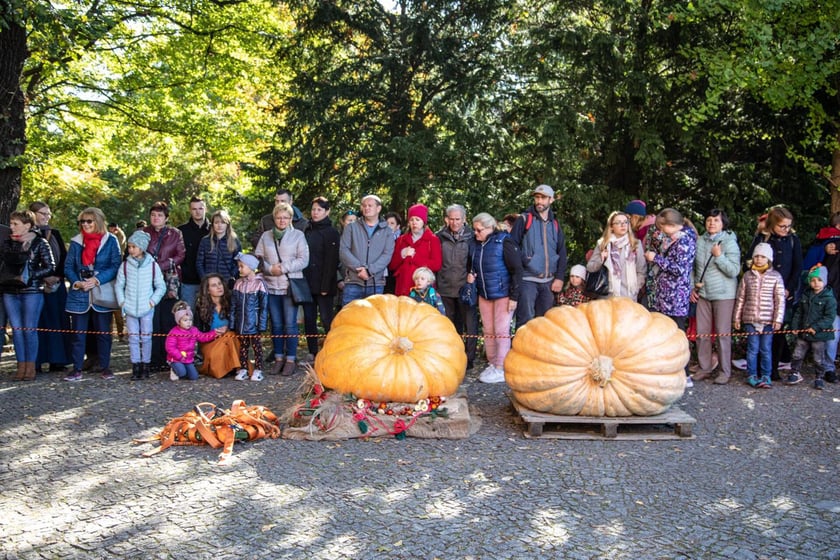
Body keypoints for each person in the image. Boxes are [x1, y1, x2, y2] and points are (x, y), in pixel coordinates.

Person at [63, 207, 122, 381]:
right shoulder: (76, 242)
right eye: (82, 221)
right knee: (78, 334)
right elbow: (68, 267)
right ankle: (77, 368)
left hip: (101, 290)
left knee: (103, 332)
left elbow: (115, 264)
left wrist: (97, 280)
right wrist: (77, 282)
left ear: (98, 221)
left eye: (89, 221)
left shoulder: (110, 240)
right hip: (80, 292)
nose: (86, 224)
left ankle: (105, 366)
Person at [467, 212, 523, 384]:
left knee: (501, 331)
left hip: (503, 294)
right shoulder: (476, 245)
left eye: (479, 230)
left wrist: (514, 296)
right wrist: (471, 276)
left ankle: (501, 367)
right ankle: (492, 363)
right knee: (489, 331)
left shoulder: (504, 241)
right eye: (474, 230)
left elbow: (517, 270)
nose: (476, 233)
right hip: (484, 294)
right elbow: (472, 265)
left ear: (490, 227)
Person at [747, 206, 802, 379]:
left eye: (788, 226)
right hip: (761, 293)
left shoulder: (793, 240)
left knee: (777, 330)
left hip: (784, 293)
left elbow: (797, 267)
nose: (786, 230)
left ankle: (773, 369)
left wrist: (788, 289)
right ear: (772, 224)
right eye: (782, 226)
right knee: (759, 331)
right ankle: (756, 369)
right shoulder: (762, 238)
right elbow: (750, 261)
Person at [644, 208, 697, 386]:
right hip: (666, 295)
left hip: (676, 297)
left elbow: (679, 269)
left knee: (678, 336)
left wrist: (656, 258)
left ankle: (686, 373)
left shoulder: (684, 242)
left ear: (672, 225)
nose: (660, 230)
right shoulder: (672, 239)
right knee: (666, 334)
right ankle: (670, 371)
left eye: (662, 227)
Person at [255, 203, 309, 376]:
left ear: (290, 219)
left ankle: (291, 359)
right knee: (276, 324)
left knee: (290, 324)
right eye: (279, 217)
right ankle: (278, 358)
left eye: (285, 217)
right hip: (271, 285)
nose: (282, 220)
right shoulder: (266, 236)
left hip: (289, 285)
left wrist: (284, 267)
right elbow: (258, 258)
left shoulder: (298, 235)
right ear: (274, 218)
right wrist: (270, 269)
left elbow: (303, 259)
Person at [1, 210, 55, 381]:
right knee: (17, 330)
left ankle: (30, 367)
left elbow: (50, 266)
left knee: (29, 330)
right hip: (10, 291)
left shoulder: (40, 243)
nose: (12, 227)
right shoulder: (8, 243)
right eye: (11, 224)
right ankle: (21, 366)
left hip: (31, 291)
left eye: (15, 224)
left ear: (27, 225)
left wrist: (30, 275)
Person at [689, 209, 741, 384]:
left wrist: (719, 257)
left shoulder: (729, 242)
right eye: (709, 219)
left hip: (724, 294)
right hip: (703, 293)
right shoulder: (700, 241)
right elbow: (693, 267)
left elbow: (734, 270)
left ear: (723, 224)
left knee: (722, 334)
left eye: (716, 220)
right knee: (702, 333)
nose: (711, 223)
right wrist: (692, 288)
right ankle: (705, 367)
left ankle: (724, 371)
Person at [509, 184, 567, 328]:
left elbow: (562, 251)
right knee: (525, 322)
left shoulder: (554, 224)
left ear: (551, 200)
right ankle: (521, 350)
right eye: (537, 197)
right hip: (528, 280)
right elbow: (511, 246)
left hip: (548, 281)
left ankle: (541, 352)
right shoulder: (524, 219)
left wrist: (559, 277)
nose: (539, 201)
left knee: (546, 324)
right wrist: (523, 262)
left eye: (543, 198)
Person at [733, 243, 786, 388]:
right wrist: (737, 318)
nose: (759, 259)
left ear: (769, 259)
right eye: (756, 256)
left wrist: (778, 319)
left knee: (766, 349)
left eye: (762, 257)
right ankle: (751, 374)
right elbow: (741, 298)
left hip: (768, 321)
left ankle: (766, 376)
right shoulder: (747, 277)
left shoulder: (776, 277)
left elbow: (780, 300)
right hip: (750, 320)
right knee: (752, 348)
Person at [115, 229, 165, 381]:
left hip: (146, 308)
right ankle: (135, 365)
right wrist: (122, 302)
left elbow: (160, 286)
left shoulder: (152, 266)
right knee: (133, 337)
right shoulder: (125, 266)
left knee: (147, 336)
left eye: (133, 247)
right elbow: (119, 285)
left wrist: (152, 301)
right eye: (129, 247)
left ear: (142, 247)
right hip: (130, 307)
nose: (130, 249)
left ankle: (146, 365)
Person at [143, 201, 186, 372]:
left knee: (168, 319)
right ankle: (153, 358)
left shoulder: (175, 234)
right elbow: (136, 252)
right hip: (147, 281)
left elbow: (181, 255)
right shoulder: (143, 233)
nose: (156, 218)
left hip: (169, 280)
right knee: (152, 320)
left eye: (160, 215)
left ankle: (169, 357)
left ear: (166, 218)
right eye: (153, 215)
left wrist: (161, 265)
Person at [29, 201, 71, 373]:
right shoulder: (25, 235)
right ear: (33, 214)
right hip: (35, 285)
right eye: (42, 214)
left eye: (48, 214)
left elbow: (63, 257)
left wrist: (56, 276)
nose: (46, 217)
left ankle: (58, 360)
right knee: (37, 323)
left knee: (57, 321)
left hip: (57, 284)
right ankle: (36, 361)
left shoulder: (55, 234)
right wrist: (44, 277)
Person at [436, 204, 478, 370]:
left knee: (470, 324)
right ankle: (450, 357)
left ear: (464, 219)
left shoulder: (472, 236)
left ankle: (469, 359)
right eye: (451, 219)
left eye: (458, 219)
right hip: (445, 286)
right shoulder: (439, 236)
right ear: (446, 219)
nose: (454, 222)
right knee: (448, 325)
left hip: (465, 287)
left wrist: (472, 276)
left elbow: (477, 258)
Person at [785, 265, 836, 389]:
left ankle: (819, 377)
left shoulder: (829, 298)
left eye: (819, 280)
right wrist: (795, 326)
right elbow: (799, 313)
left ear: (824, 281)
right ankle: (795, 372)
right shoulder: (806, 295)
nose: (816, 283)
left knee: (818, 358)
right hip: (803, 334)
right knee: (797, 354)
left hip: (818, 335)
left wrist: (816, 327)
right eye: (813, 280)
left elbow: (829, 317)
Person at [302, 197, 340, 361]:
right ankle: (312, 351)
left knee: (326, 318)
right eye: (313, 209)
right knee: (309, 319)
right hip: (307, 281)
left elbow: (332, 260)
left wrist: (325, 285)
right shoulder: (307, 230)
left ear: (326, 211)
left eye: (319, 210)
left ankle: (332, 350)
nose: (315, 213)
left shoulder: (332, 232)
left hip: (325, 282)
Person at [339, 194, 395, 304]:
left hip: (376, 282)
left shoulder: (387, 231)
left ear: (378, 208)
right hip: (353, 281)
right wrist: (359, 269)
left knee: (374, 319)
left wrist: (369, 271)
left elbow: (387, 255)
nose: (366, 208)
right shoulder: (351, 227)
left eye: (370, 205)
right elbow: (344, 250)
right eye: (364, 205)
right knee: (348, 318)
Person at [586, 210, 646, 300]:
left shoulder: (636, 244)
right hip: (607, 297)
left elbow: (642, 270)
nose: (623, 225)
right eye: (618, 222)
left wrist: (636, 288)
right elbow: (590, 267)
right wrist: (601, 259)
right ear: (611, 227)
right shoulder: (603, 243)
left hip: (629, 297)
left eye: (625, 222)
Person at [389, 203, 442, 297]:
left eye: (417, 219)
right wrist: (402, 255)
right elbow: (392, 266)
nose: (414, 222)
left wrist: (415, 257)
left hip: (422, 289)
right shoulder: (401, 240)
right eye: (411, 220)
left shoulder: (432, 240)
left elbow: (436, 265)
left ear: (423, 222)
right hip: (402, 287)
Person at [231, 253, 268, 381]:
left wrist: (262, 324)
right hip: (241, 323)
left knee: (257, 347)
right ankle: (243, 369)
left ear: (251, 267)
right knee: (243, 347)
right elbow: (234, 306)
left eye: (242, 266)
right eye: (239, 266)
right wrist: (232, 323)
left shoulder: (259, 284)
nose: (239, 269)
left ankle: (258, 369)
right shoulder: (238, 284)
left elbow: (264, 307)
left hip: (254, 324)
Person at [195, 273, 240, 379]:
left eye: (220, 284)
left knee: (230, 336)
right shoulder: (200, 307)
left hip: (231, 340)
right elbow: (198, 334)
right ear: (207, 290)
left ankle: (235, 367)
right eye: (214, 285)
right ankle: (237, 367)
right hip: (210, 342)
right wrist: (213, 333)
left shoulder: (231, 303)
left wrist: (228, 329)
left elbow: (239, 325)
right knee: (227, 340)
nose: (219, 287)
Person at [166, 301, 217, 381]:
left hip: (188, 359)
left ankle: (184, 369)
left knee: (194, 377)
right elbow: (170, 347)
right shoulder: (174, 332)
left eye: (190, 320)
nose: (188, 322)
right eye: (185, 320)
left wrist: (214, 333)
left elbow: (203, 337)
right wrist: (179, 356)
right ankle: (174, 369)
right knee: (182, 373)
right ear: (179, 321)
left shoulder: (194, 330)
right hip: (176, 358)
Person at [178, 196, 211, 308]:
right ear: (190, 210)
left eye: (200, 208)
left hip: (210, 280)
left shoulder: (213, 230)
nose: (197, 212)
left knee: (209, 317)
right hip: (188, 282)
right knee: (187, 315)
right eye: (194, 209)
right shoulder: (181, 231)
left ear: (205, 209)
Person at [196, 209, 241, 287]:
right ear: (212, 224)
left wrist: (231, 277)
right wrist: (205, 279)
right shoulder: (205, 241)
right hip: (209, 283)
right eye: (216, 222)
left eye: (223, 222)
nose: (219, 225)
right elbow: (199, 263)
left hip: (227, 283)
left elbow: (238, 263)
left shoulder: (234, 241)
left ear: (227, 224)